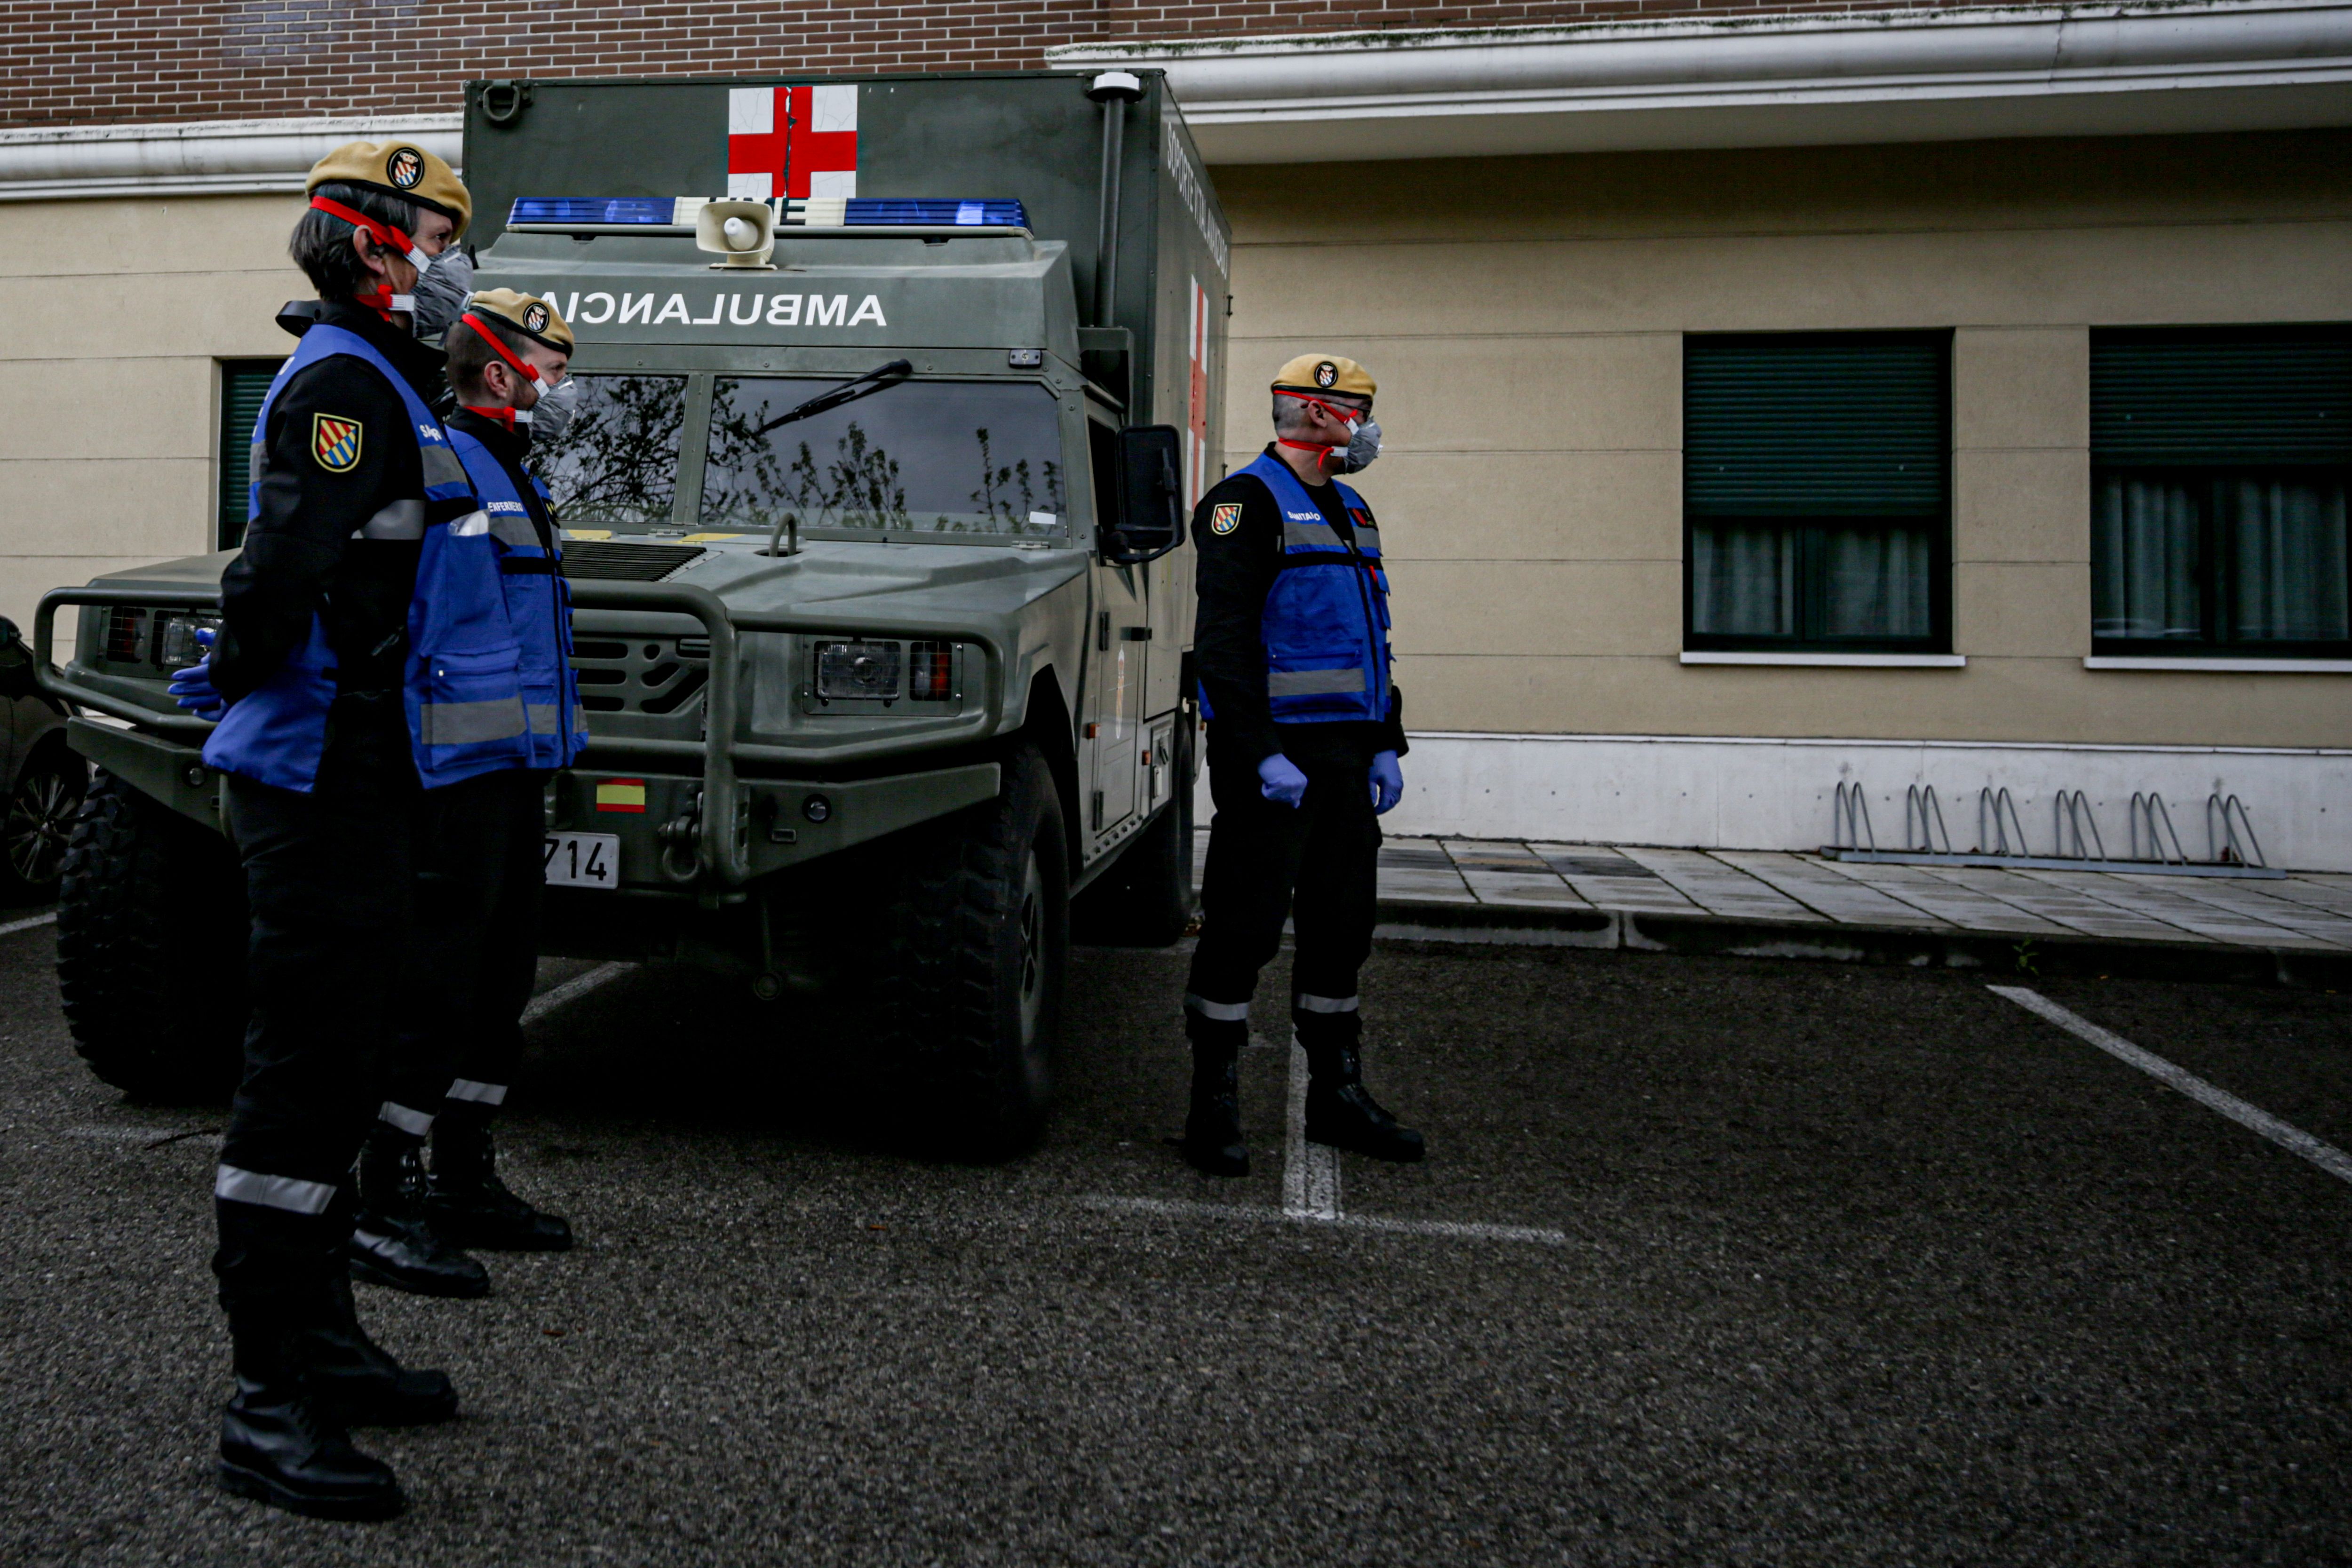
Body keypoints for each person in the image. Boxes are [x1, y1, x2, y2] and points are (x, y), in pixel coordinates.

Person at [164, 139, 512, 1520]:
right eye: (431, 237)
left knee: (348, 1055)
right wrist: (262, 686)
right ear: (367, 245)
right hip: (320, 783)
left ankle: (322, 1338)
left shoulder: (391, 384)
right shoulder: (348, 386)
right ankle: (269, 1398)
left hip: (371, 780)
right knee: (301, 1084)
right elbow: (278, 574)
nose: (450, 266)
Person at [1177, 354, 1426, 1178]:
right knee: (1243, 928)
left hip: (1349, 755)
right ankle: (1211, 1101)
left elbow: (1369, 638)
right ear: (1318, 414)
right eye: (1359, 407)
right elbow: (1222, 645)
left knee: (1342, 925)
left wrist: (1387, 736)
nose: (1369, 425)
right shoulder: (1242, 506)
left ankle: (1336, 1094)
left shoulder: (1354, 509)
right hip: (1275, 757)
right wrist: (1257, 756)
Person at [387, 289, 585, 1252]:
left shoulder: (515, 473)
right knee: (437, 988)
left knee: (500, 984)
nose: (562, 393)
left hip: (512, 773)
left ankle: (466, 1173)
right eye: (552, 373)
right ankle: (391, 1182)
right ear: (502, 374)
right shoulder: (453, 467)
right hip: (453, 781)